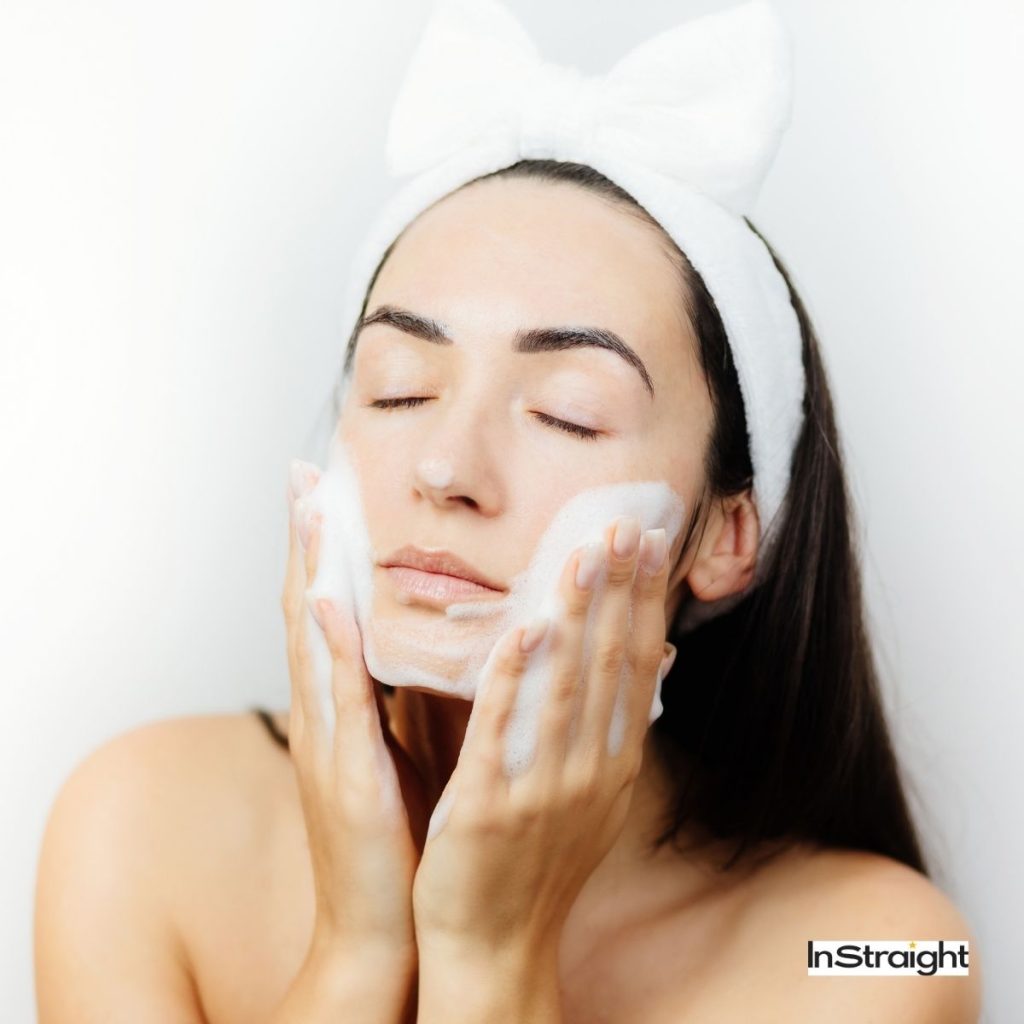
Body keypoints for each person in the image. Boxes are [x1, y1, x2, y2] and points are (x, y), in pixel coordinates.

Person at [34, 4, 983, 1023]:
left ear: (724, 533)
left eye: (566, 413)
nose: (445, 467)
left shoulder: (882, 952)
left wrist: (491, 955)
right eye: (399, 388)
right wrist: (358, 945)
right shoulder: (137, 819)